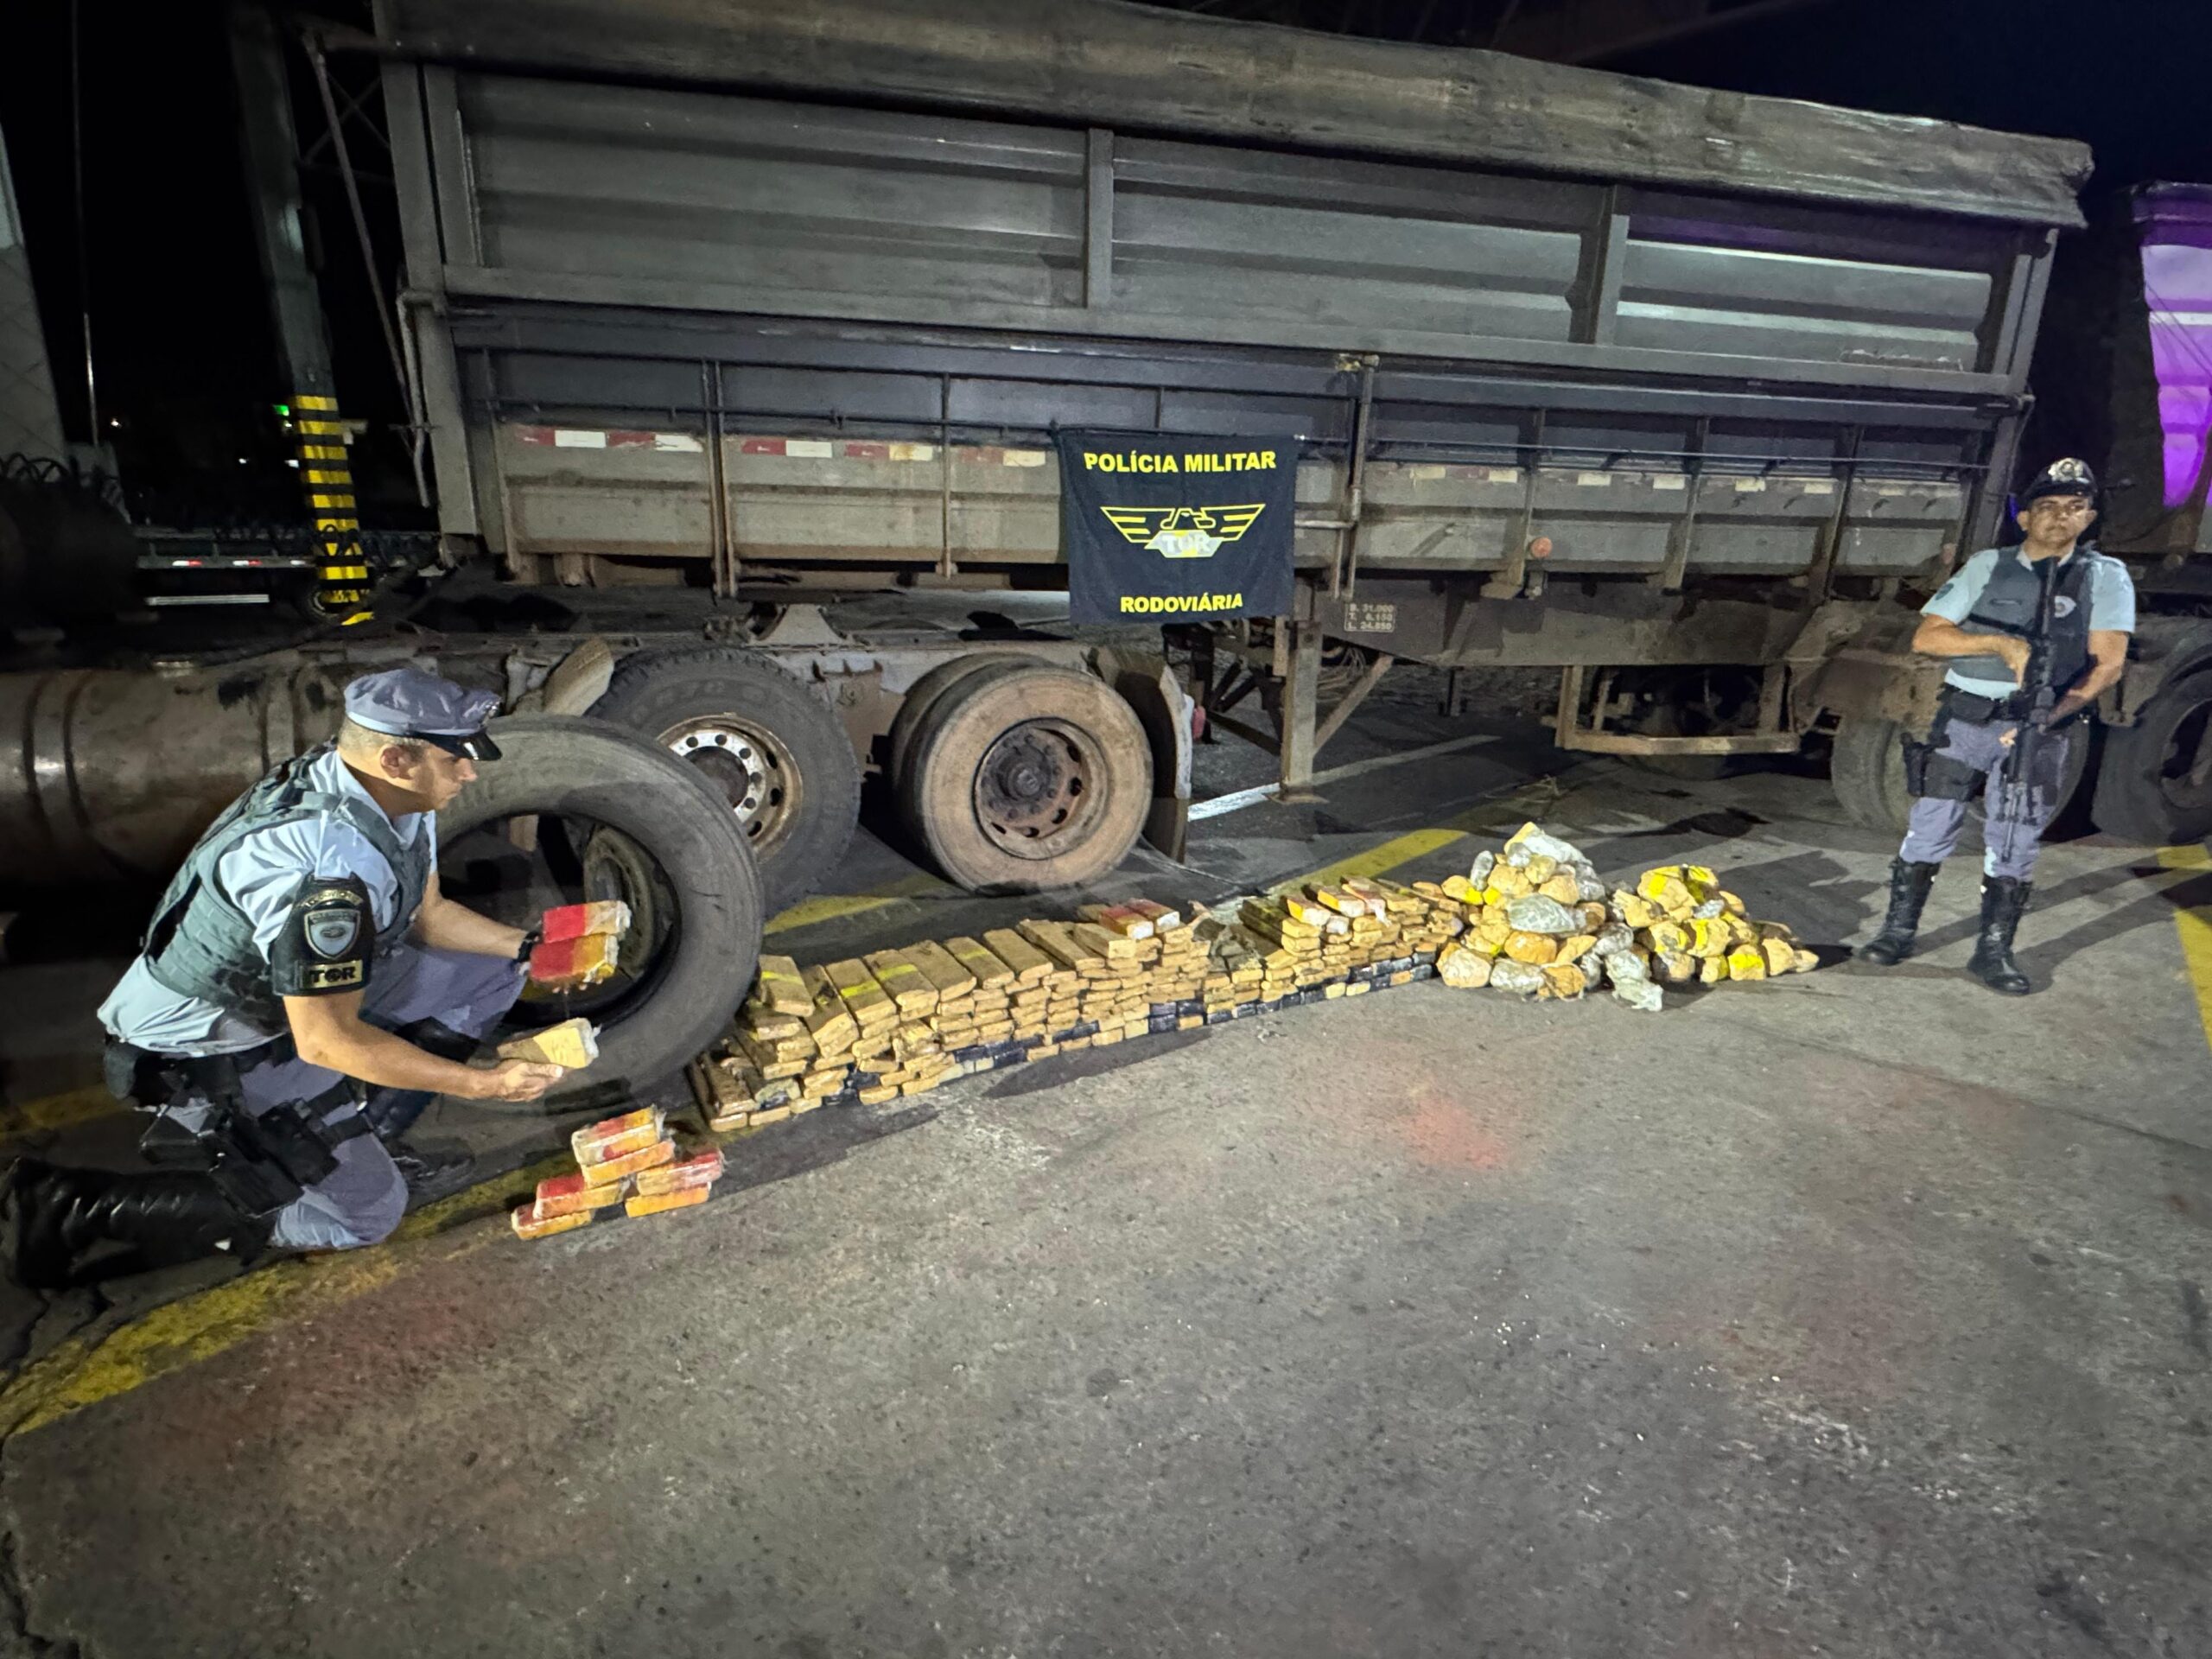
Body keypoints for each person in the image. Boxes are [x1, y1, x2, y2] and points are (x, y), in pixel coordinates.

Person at [2, 667, 569, 1289]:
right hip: (211, 1047)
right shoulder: (327, 871)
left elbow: (428, 918)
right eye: (455, 759)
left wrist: (535, 947)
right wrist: (481, 1085)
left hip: (286, 1005)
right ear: (396, 758)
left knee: (495, 970)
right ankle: (67, 1204)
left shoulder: (387, 793)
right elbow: (327, 1041)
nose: (470, 774)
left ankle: (351, 1137)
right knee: (368, 1216)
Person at [1858, 458, 2136, 994]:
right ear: (2026, 518)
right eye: (2049, 508)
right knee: (1932, 825)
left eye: (2075, 508)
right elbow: (1929, 637)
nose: (2061, 518)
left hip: (2041, 727)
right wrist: (1998, 642)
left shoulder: (2105, 576)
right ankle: (1897, 931)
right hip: (1967, 717)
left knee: (2015, 839)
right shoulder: (1988, 566)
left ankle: (1993, 951)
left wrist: (2048, 718)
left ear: (2089, 516)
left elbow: (2109, 662)